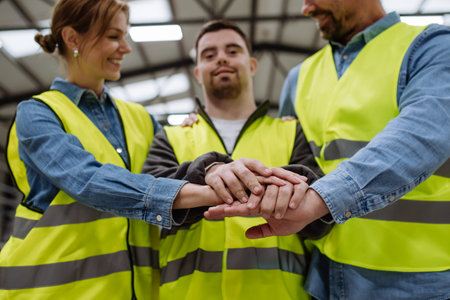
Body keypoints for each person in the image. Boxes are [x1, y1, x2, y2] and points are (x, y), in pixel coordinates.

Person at [206, 0, 450, 299]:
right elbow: (286, 154)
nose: (305, 9)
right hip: (323, 272)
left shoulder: (431, 47)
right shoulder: (300, 76)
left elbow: (421, 135)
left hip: (418, 273)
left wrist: (322, 198)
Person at [0, 1, 236, 298]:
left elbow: (172, 169)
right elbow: (87, 181)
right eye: (113, 36)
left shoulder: (141, 119)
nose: (126, 48)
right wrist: (203, 194)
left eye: (126, 36)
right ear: (72, 38)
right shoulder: (37, 114)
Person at [142, 20, 327, 299]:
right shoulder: (169, 138)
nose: (221, 59)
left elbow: (320, 211)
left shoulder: (292, 131)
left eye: (232, 50)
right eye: (209, 55)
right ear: (197, 72)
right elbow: (149, 200)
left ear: (252, 65)